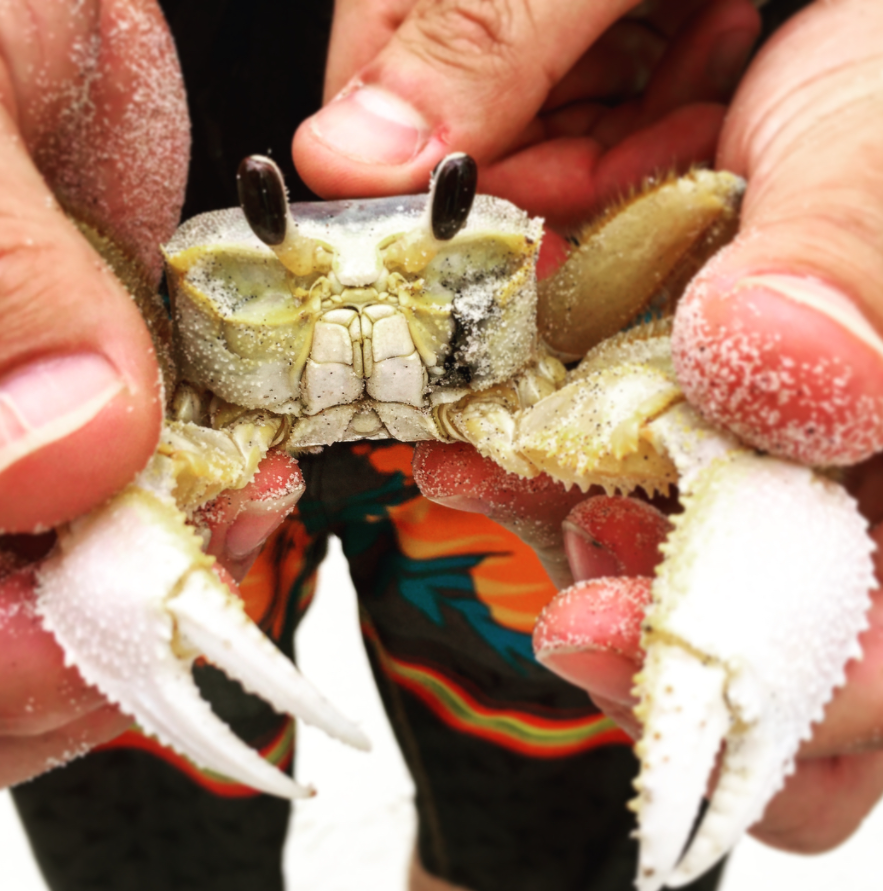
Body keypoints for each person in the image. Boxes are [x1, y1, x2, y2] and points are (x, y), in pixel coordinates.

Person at [1, 0, 882, 888]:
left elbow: (712, 293)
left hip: (543, 343)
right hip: (109, 357)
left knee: (547, 831)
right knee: (131, 780)